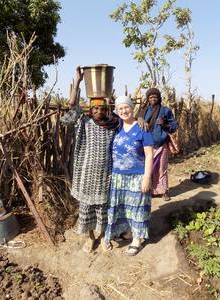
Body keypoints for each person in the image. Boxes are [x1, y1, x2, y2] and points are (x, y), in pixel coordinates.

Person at [67, 66, 119, 253]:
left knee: (104, 208)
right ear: (90, 109)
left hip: (106, 174)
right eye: (94, 108)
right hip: (86, 174)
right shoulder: (84, 121)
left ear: (106, 109)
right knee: (87, 208)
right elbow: (72, 105)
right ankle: (90, 238)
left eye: (101, 108)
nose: (98, 111)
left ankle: (104, 236)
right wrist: (78, 81)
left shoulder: (113, 123)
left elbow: (129, 120)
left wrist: (138, 117)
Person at [104, 95, 154, 256]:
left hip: (137, 176)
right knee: (123, 207)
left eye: (126, 107)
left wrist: (147, 177)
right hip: (118, 177)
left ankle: (137, 240)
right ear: (117, 112)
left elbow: (149, 154)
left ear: (132, 108)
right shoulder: (117, 126)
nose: (124, 110)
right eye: (120, 108)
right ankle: (128, 232)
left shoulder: (142, 128)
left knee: (137, 208)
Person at [138, 88, 178, 199]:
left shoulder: (165, 110)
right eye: (150, 97)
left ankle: (164, 191)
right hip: (147, 145)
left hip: (162, 144)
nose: (153, 99)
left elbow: (174, 126)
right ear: (148, 99)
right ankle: (150, 190)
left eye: (155, 97)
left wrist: (164, 124)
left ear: (159, 98)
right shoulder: (143, 111)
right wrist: (139, 120)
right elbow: (136, 125)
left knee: (161, 168)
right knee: (149, 168)